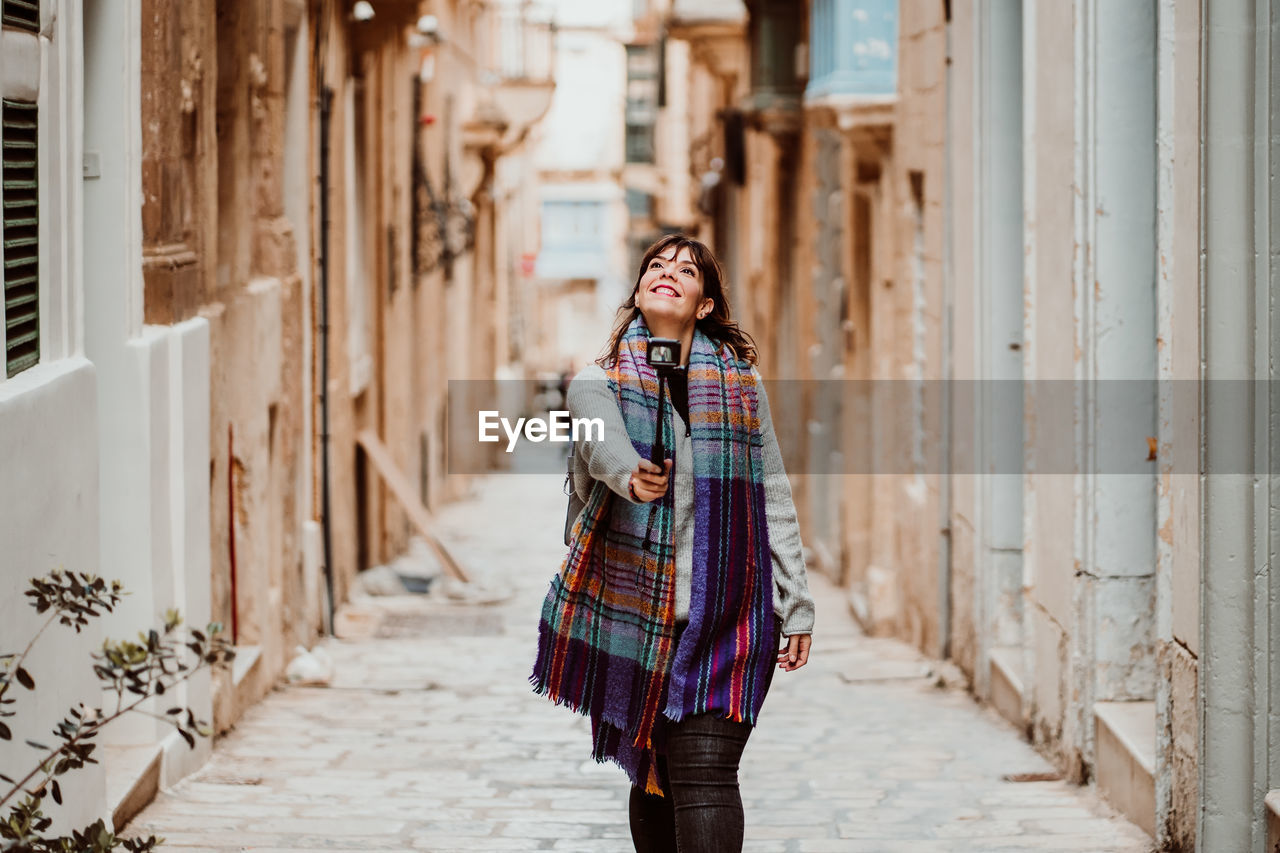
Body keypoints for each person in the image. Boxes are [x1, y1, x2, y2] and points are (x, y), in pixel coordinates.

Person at [529, 234, 815, 853]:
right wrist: (633, 476)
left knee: (706, 774)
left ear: (705, 303)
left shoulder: (741, 389)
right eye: (656, 266)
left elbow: (773, 495)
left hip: (729, 620)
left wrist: (796, 604)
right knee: (656, 777)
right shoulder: (595, 384)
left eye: (686, 270)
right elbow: (605, 449)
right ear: (638, 290)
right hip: (635, 622)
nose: (668, 273)